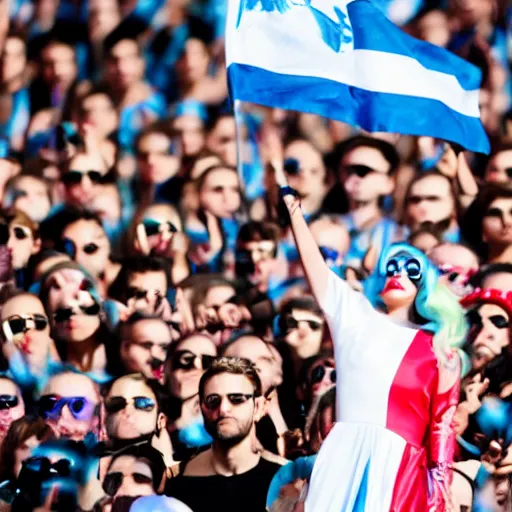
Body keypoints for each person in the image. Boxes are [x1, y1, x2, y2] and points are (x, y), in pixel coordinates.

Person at [275, 163, 466, 511]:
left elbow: (441, 427)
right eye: (391, 267)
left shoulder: (439, 348)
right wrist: (295, 213)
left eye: (412, 270)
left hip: (401, 467)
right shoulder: (353, 315)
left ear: (425, 286)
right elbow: (317, 270)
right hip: (342, 454)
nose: (399, 274)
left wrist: (439, 491)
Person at [165, 357, 285, 512]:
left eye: (236, 399)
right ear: (202, 408)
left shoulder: (286, 481)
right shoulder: (178, 485)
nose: (223, 409)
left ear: (258, 407)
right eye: (213, 400)